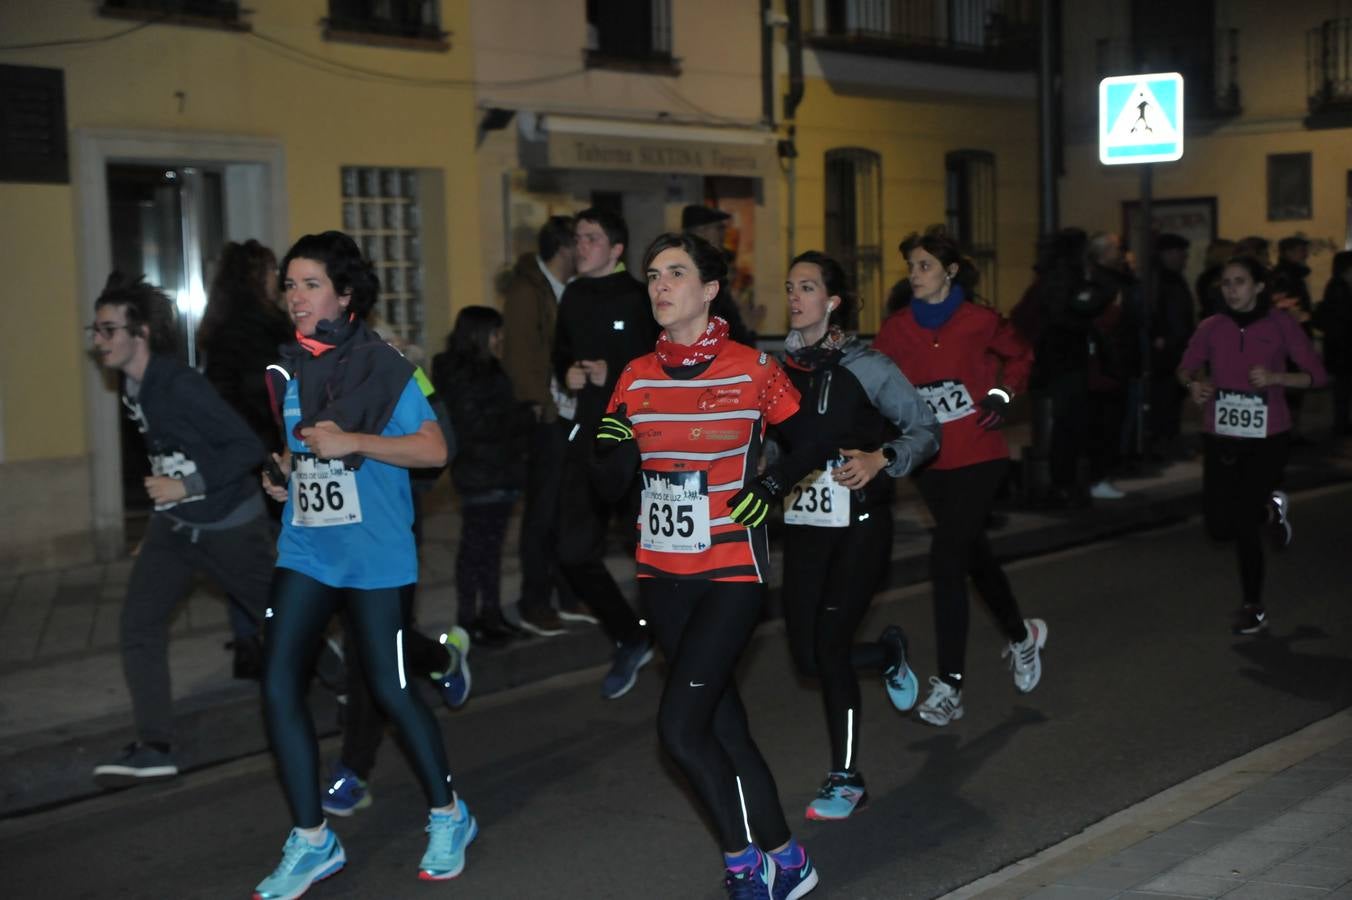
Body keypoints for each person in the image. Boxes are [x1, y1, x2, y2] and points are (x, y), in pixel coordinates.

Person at [595, 231, 821, 898]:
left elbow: (810, 440)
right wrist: (615, 446)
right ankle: (789, 858)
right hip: (661, 577)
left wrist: (771, 490)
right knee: (724, 726)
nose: (660, 286)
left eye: (675, 273)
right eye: (653, 275)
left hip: (730, 574)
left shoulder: (753, 369)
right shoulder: (635, 376)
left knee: (678, 727)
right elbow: (606, 474)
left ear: (710, 289)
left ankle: (743, 863)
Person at [253, 231, 473, 897]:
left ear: (346, 295)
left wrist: (355, 441)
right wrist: (286, 475)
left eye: (310, 283)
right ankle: (313, 839)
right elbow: (304, 452)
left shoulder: (385, 366)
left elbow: (434, 450)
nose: (295, 296)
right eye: (289, 284)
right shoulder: (294, 368)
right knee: (277, 682)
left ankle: (449, 813)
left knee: (391, 688)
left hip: (376, 555)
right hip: (308, 548)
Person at [88, 273, 275, 789]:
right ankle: (155, 747)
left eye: (108, 330)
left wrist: (186, 484)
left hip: (229, 527)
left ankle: (354, 684)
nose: (98, 341)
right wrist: (160, 518)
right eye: (95, 330)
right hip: (176, 527)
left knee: (284, 620)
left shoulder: (181, 385)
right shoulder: (132, 387)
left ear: (140, 332)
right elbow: (163, 459)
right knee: (138, 626)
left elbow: (246, 448)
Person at [778, 251, 940, 821]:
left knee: (827, 645)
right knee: (808, 657)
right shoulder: (779, 370)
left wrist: (882, 458)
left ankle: (846, 779)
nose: (795, 297)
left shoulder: (868, 366)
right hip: (803, 528)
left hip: (862, 526)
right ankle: (888, 653)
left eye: (807, 287)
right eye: (790, 287)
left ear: (833, 300)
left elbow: (925, 430)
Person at [873, 229, 1046, 727]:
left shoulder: (980, 321)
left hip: (980, 454)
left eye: (924, 266)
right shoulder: (897, 329)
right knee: (972, 553)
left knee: (947, 558)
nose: (915, 275)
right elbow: (876, 378)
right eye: (911, 267)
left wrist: (1003, 395)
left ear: (950, 272)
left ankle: (950, 685)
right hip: (930, 462)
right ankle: (1021, 635)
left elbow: (1021, 357)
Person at [1177, 256, 1328, 635]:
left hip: (1268, 435)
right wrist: (1193, 384)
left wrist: (1277, 376)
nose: (1231, 289)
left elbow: (1317, 376)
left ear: (1259, 286)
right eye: (1226, 283)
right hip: (1220, 434)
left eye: (1240, 281)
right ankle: (1270, 512)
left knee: (1242, 523)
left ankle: (1253, 606)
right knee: (1218, 527)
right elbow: (1185, 367)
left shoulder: (1281, 324)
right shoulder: (1212, 326)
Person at [552, 207, 660, 699]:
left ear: (616, 249)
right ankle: (631, 635)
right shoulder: (572, 295)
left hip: (637, 442)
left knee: (652, 551)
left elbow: (657, 364)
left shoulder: (640, 298)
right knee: (572, 551)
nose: (581, 246)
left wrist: (611, 374)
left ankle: (674, 638)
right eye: (577, 238)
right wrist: (568, 374)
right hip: (588, 436)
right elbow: (560, 352)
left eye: (591, 238)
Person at [198, 239, 293, 679]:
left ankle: (247, 640)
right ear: (257, 277)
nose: (278, 281)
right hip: (265, 447)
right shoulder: (265, 327)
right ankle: (277, 634)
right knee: (277, 545)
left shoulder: (217, 326)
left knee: (244, 544)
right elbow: (269, 393)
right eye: (273, 272)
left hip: (230, 449)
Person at [500, 215, 589, 636]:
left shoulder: (569, 290)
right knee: (542, 514)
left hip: (571, 415)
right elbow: (520, 357)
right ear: (565, 247)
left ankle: (566, 594)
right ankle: (534, 602)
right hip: (546, 418)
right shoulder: (527, 291)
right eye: (581, 241)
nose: (587, 250)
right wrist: (541, 404)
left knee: (568, 511)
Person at [433, 305, 535, 646]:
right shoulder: (461, 373)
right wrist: (521, 417)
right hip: (481, 473)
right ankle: (467, 619)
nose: (500, 340)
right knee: (476, 548)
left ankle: (490, 613)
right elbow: (476, 425)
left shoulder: (489, 369)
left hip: (500, 471)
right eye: (495, 333)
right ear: (479, 334)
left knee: (490, 549)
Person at [1149, 233, 1196, 460]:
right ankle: (1164, 443)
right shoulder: (1161, 280)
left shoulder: (1171, 278)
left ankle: (1168, 441)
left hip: (1175, 347)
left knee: (1172, 398)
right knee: (1165, 399)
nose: (1184, 257)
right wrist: (1163, 338)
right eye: (1180, 252)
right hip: (1168, 350)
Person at [682, 203, 757, 345]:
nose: (723, 234)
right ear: (701, 232)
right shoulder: (698, 276)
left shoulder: (717, 269)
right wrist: (746, 327)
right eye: (719, 228)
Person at [1313, 250, 1352, 437]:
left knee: (1342, 388)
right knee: (1342, 388)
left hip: (1339, 346)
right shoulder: (1339, 287)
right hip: (1342, 347)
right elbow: (1344, 317)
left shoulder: (1337, 286)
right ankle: (1341, 424)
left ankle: (1342, 423)